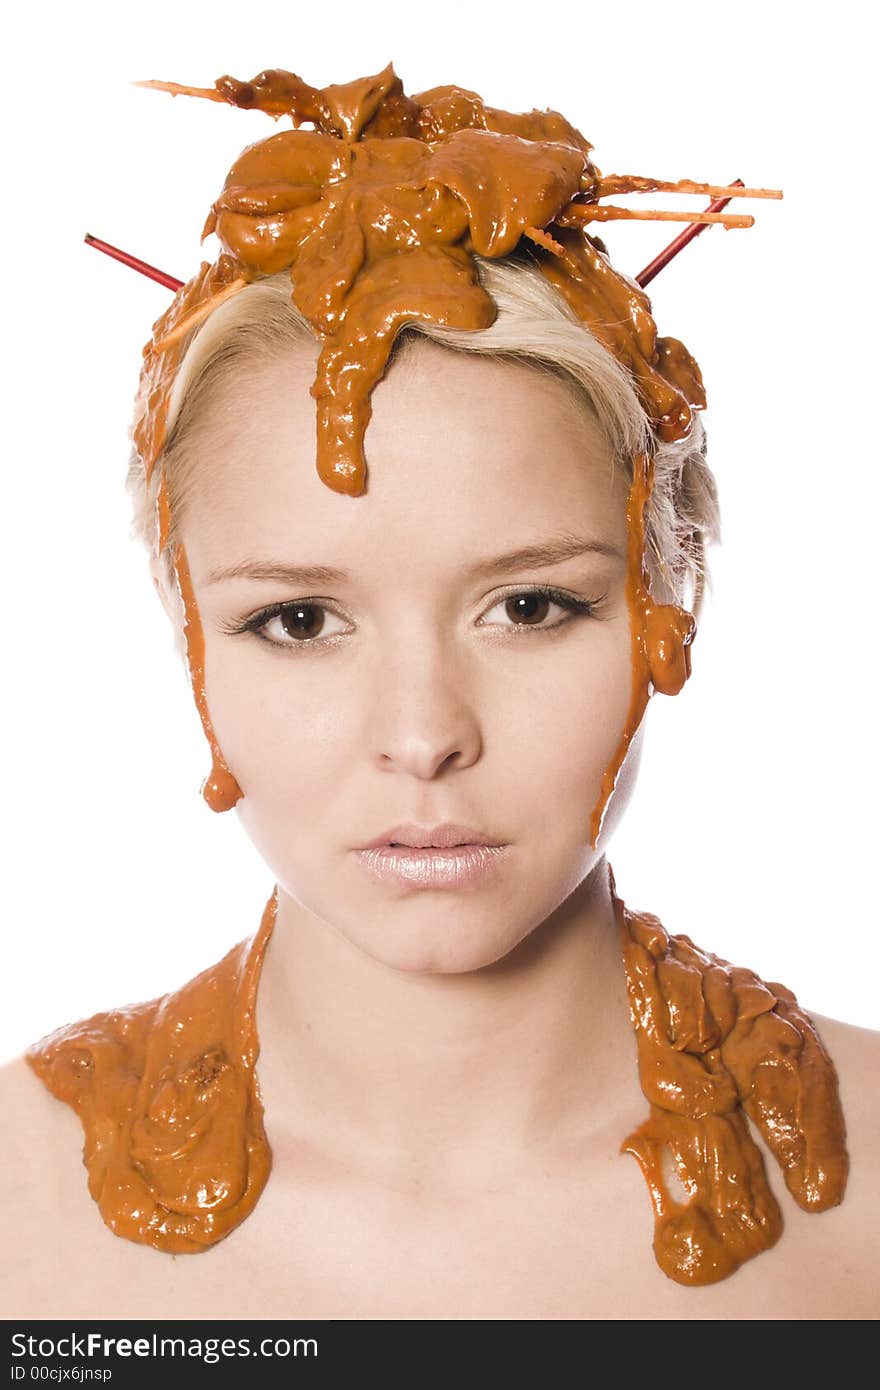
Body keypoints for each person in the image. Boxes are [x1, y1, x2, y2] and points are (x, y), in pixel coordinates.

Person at [1, 64, 877, 1321]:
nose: (422, 736)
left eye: (529, 606)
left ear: (671, 593)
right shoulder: (15, 1208)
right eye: (298, 619)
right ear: (184, 621)